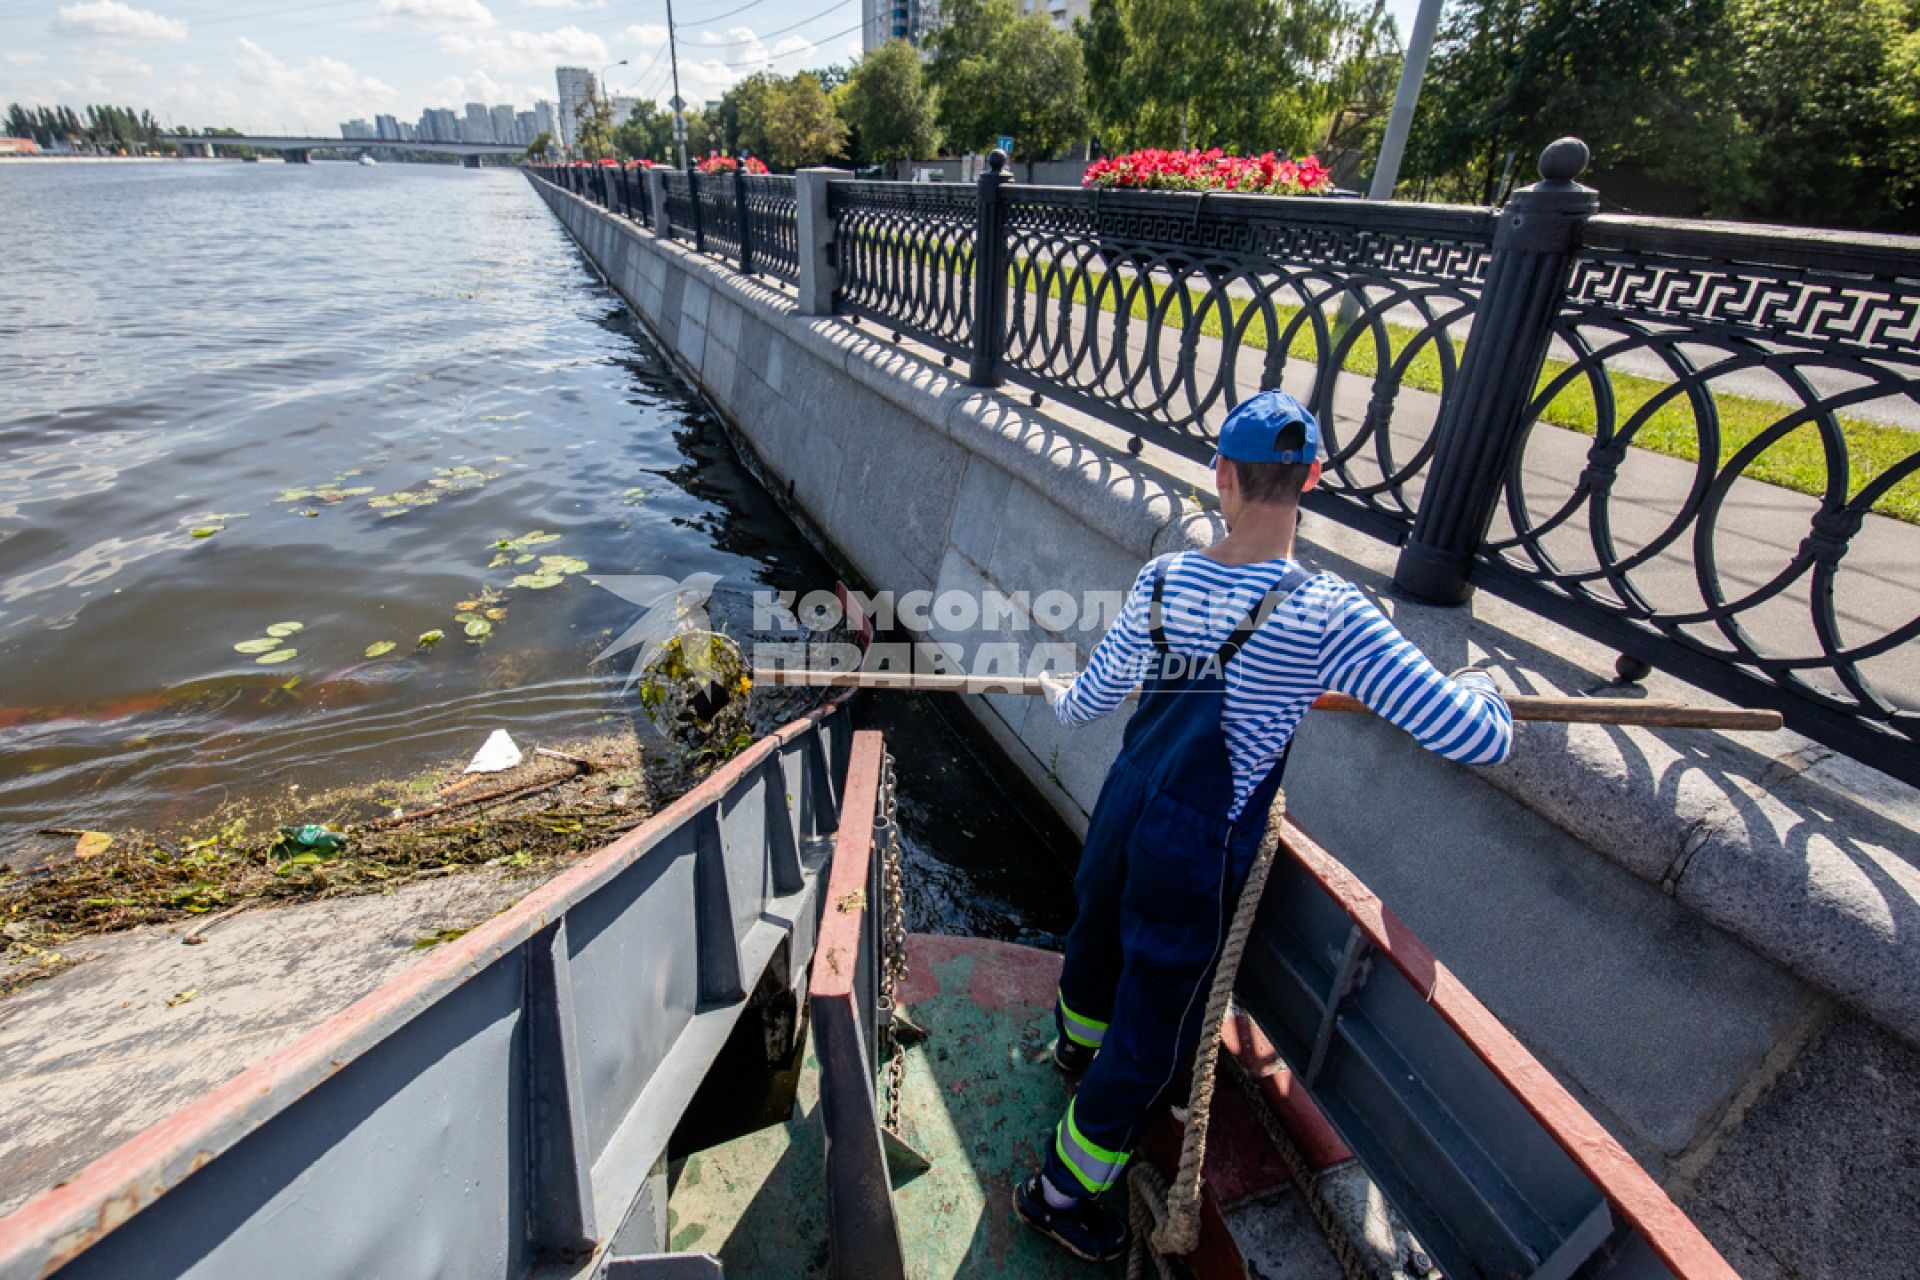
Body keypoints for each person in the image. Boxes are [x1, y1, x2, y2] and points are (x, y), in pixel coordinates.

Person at [1014, 390, 1513, 1263]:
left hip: (1125, 808)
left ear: (1222, 474)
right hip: (1194, 844)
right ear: (1310, 479)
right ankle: (1060, 1191)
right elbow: (1471, 736)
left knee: (1094, 940)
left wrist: (1056, 693)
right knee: (1155, 1021)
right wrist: (1490, 695)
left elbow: (1091, 701)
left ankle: (1070, 1048)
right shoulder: (1327, 615)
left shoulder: (1165, 578)